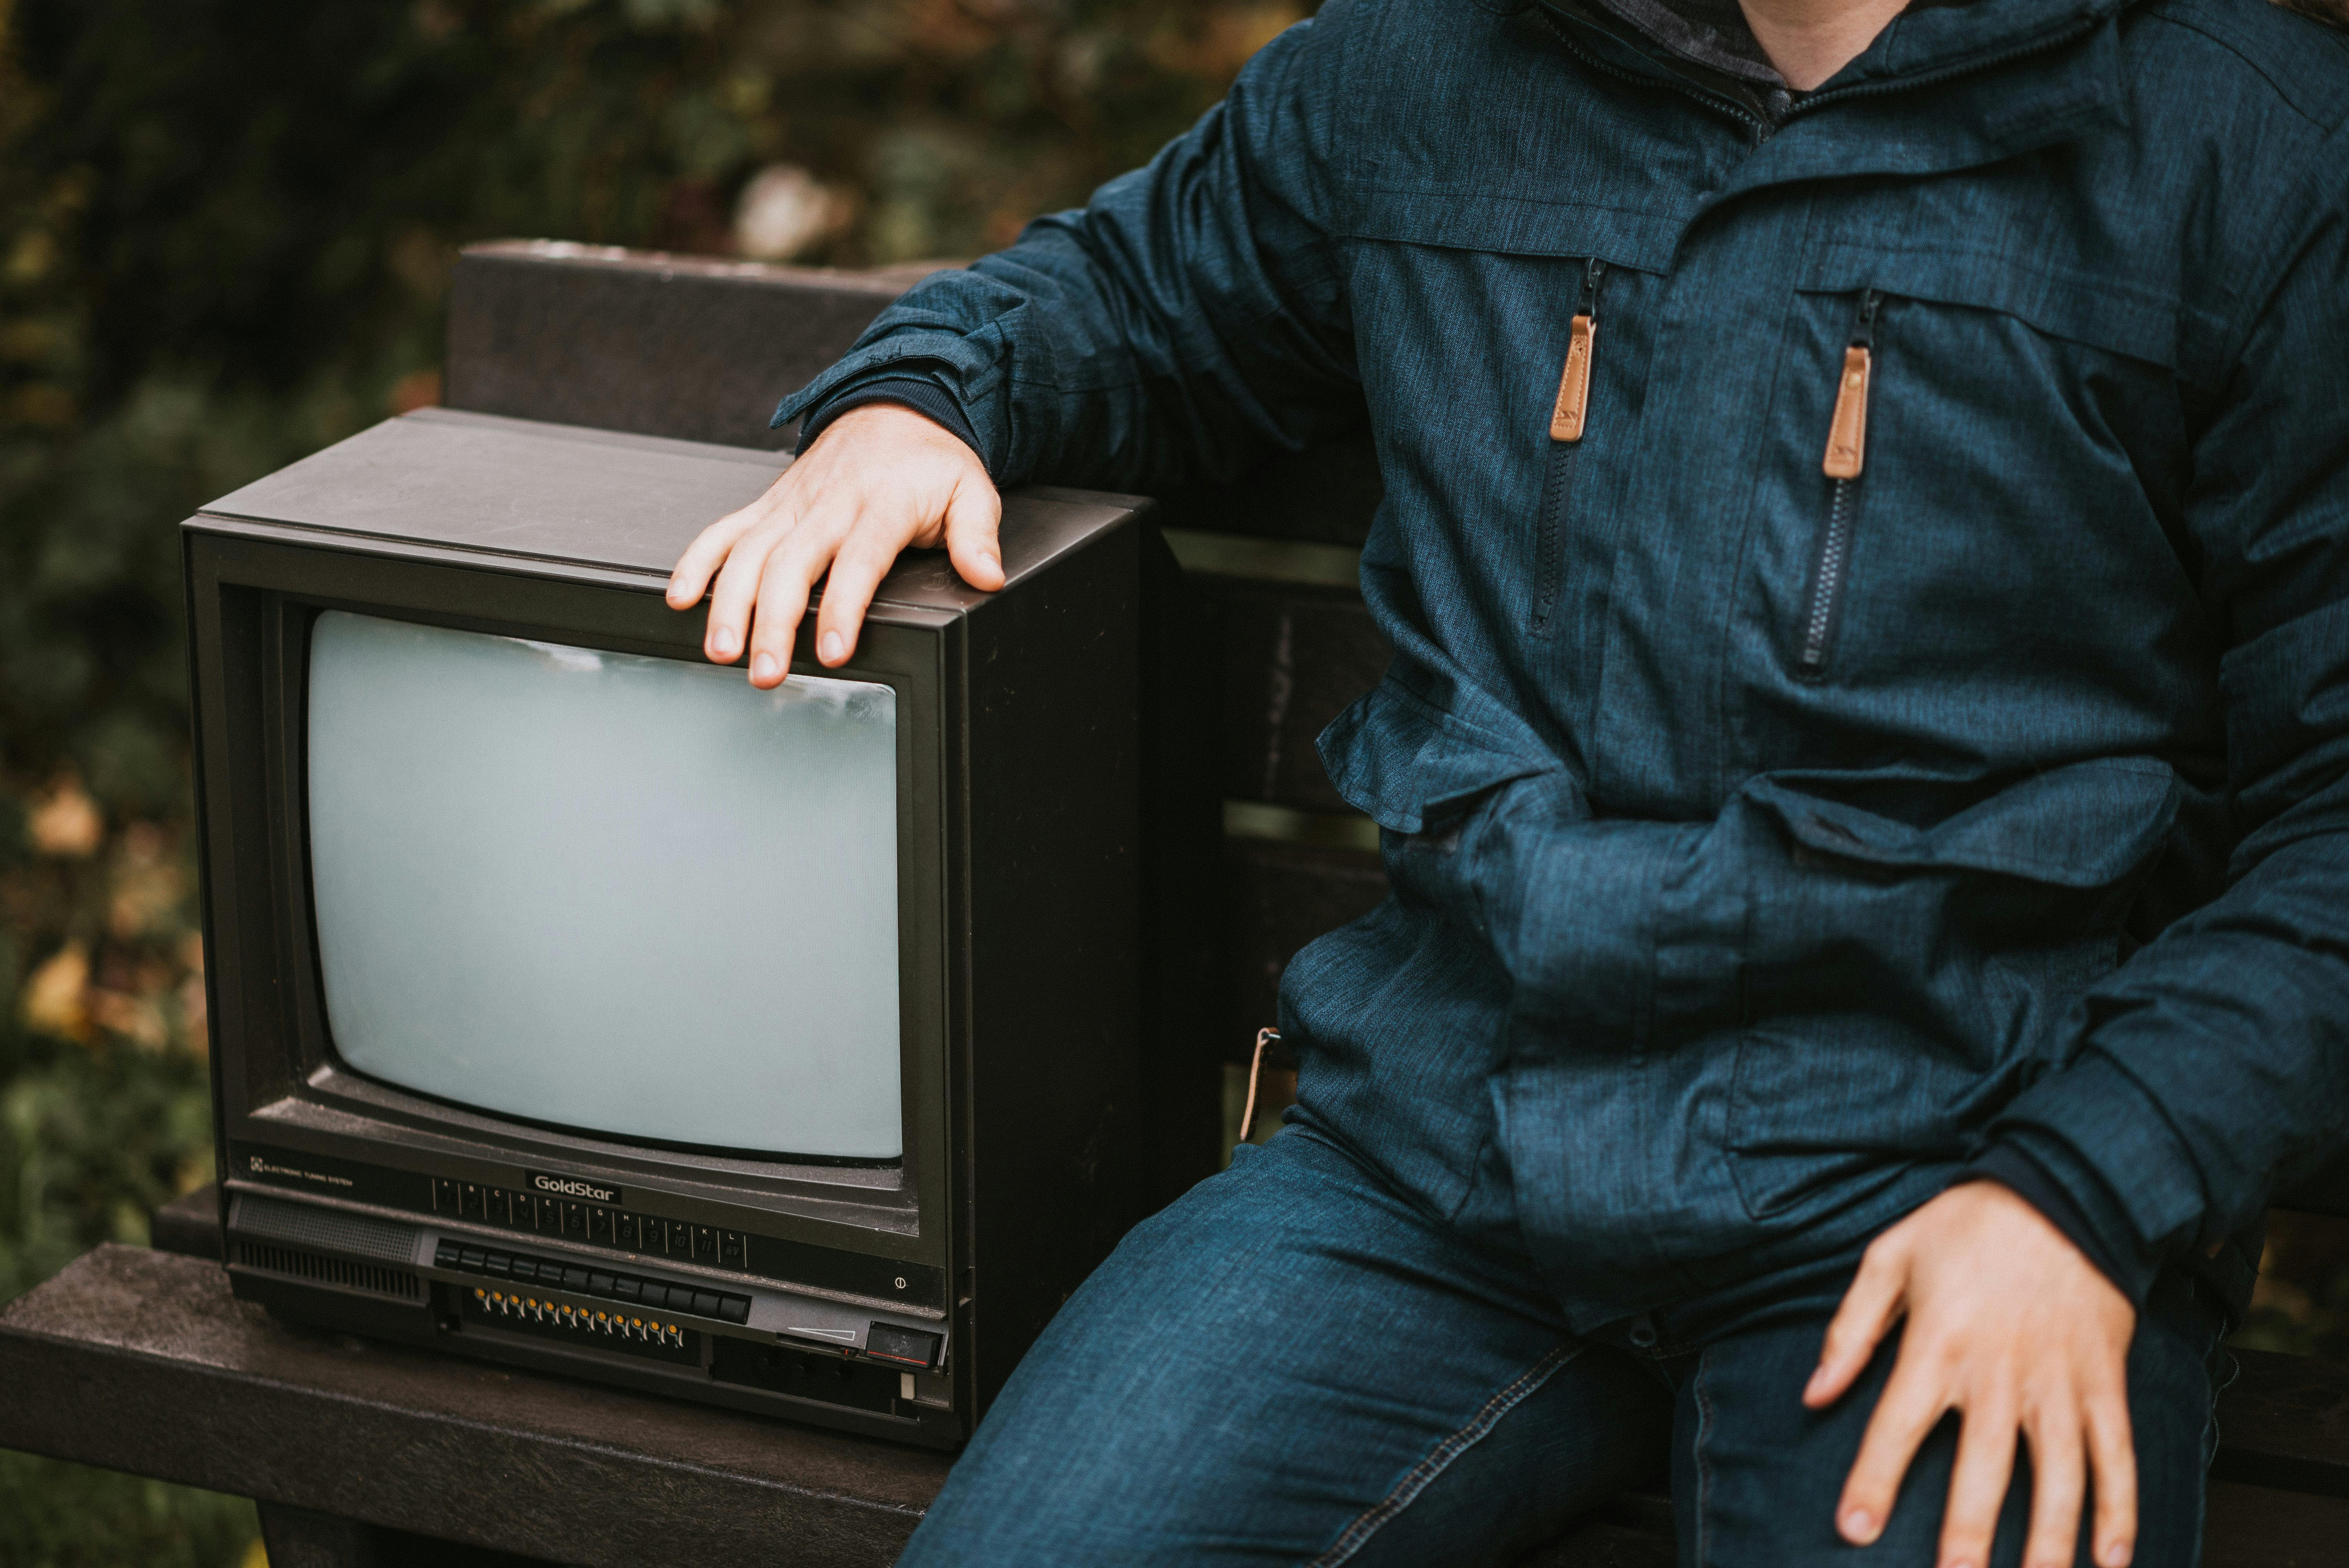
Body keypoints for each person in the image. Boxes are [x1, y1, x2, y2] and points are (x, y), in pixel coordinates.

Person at [665, 0, 2349, 1559]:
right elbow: (1136, 295)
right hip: (1451, 1144)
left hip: (1958, 1171)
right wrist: (925, 398)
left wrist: (2089, 1185)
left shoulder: (2246, 144)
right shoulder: (1426, 69)